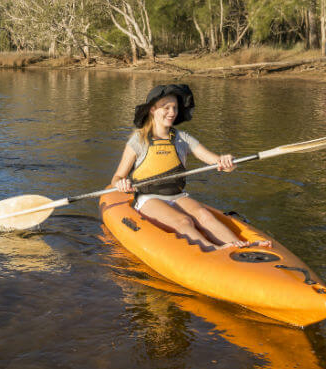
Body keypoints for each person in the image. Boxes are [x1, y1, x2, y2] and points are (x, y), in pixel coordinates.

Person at [111, 84, 271, 250]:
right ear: (152, 110)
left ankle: (240, 246)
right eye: (166, 107)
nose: (172, 112)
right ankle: (212, 249)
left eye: (175, 107)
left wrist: (227, 162)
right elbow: (117, 178)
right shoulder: (138, 141)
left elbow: (215, 160)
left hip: (177, 195)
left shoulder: (183, 139)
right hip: (148, 198)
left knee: (204, 215)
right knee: (184, 221)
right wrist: (121, 183)